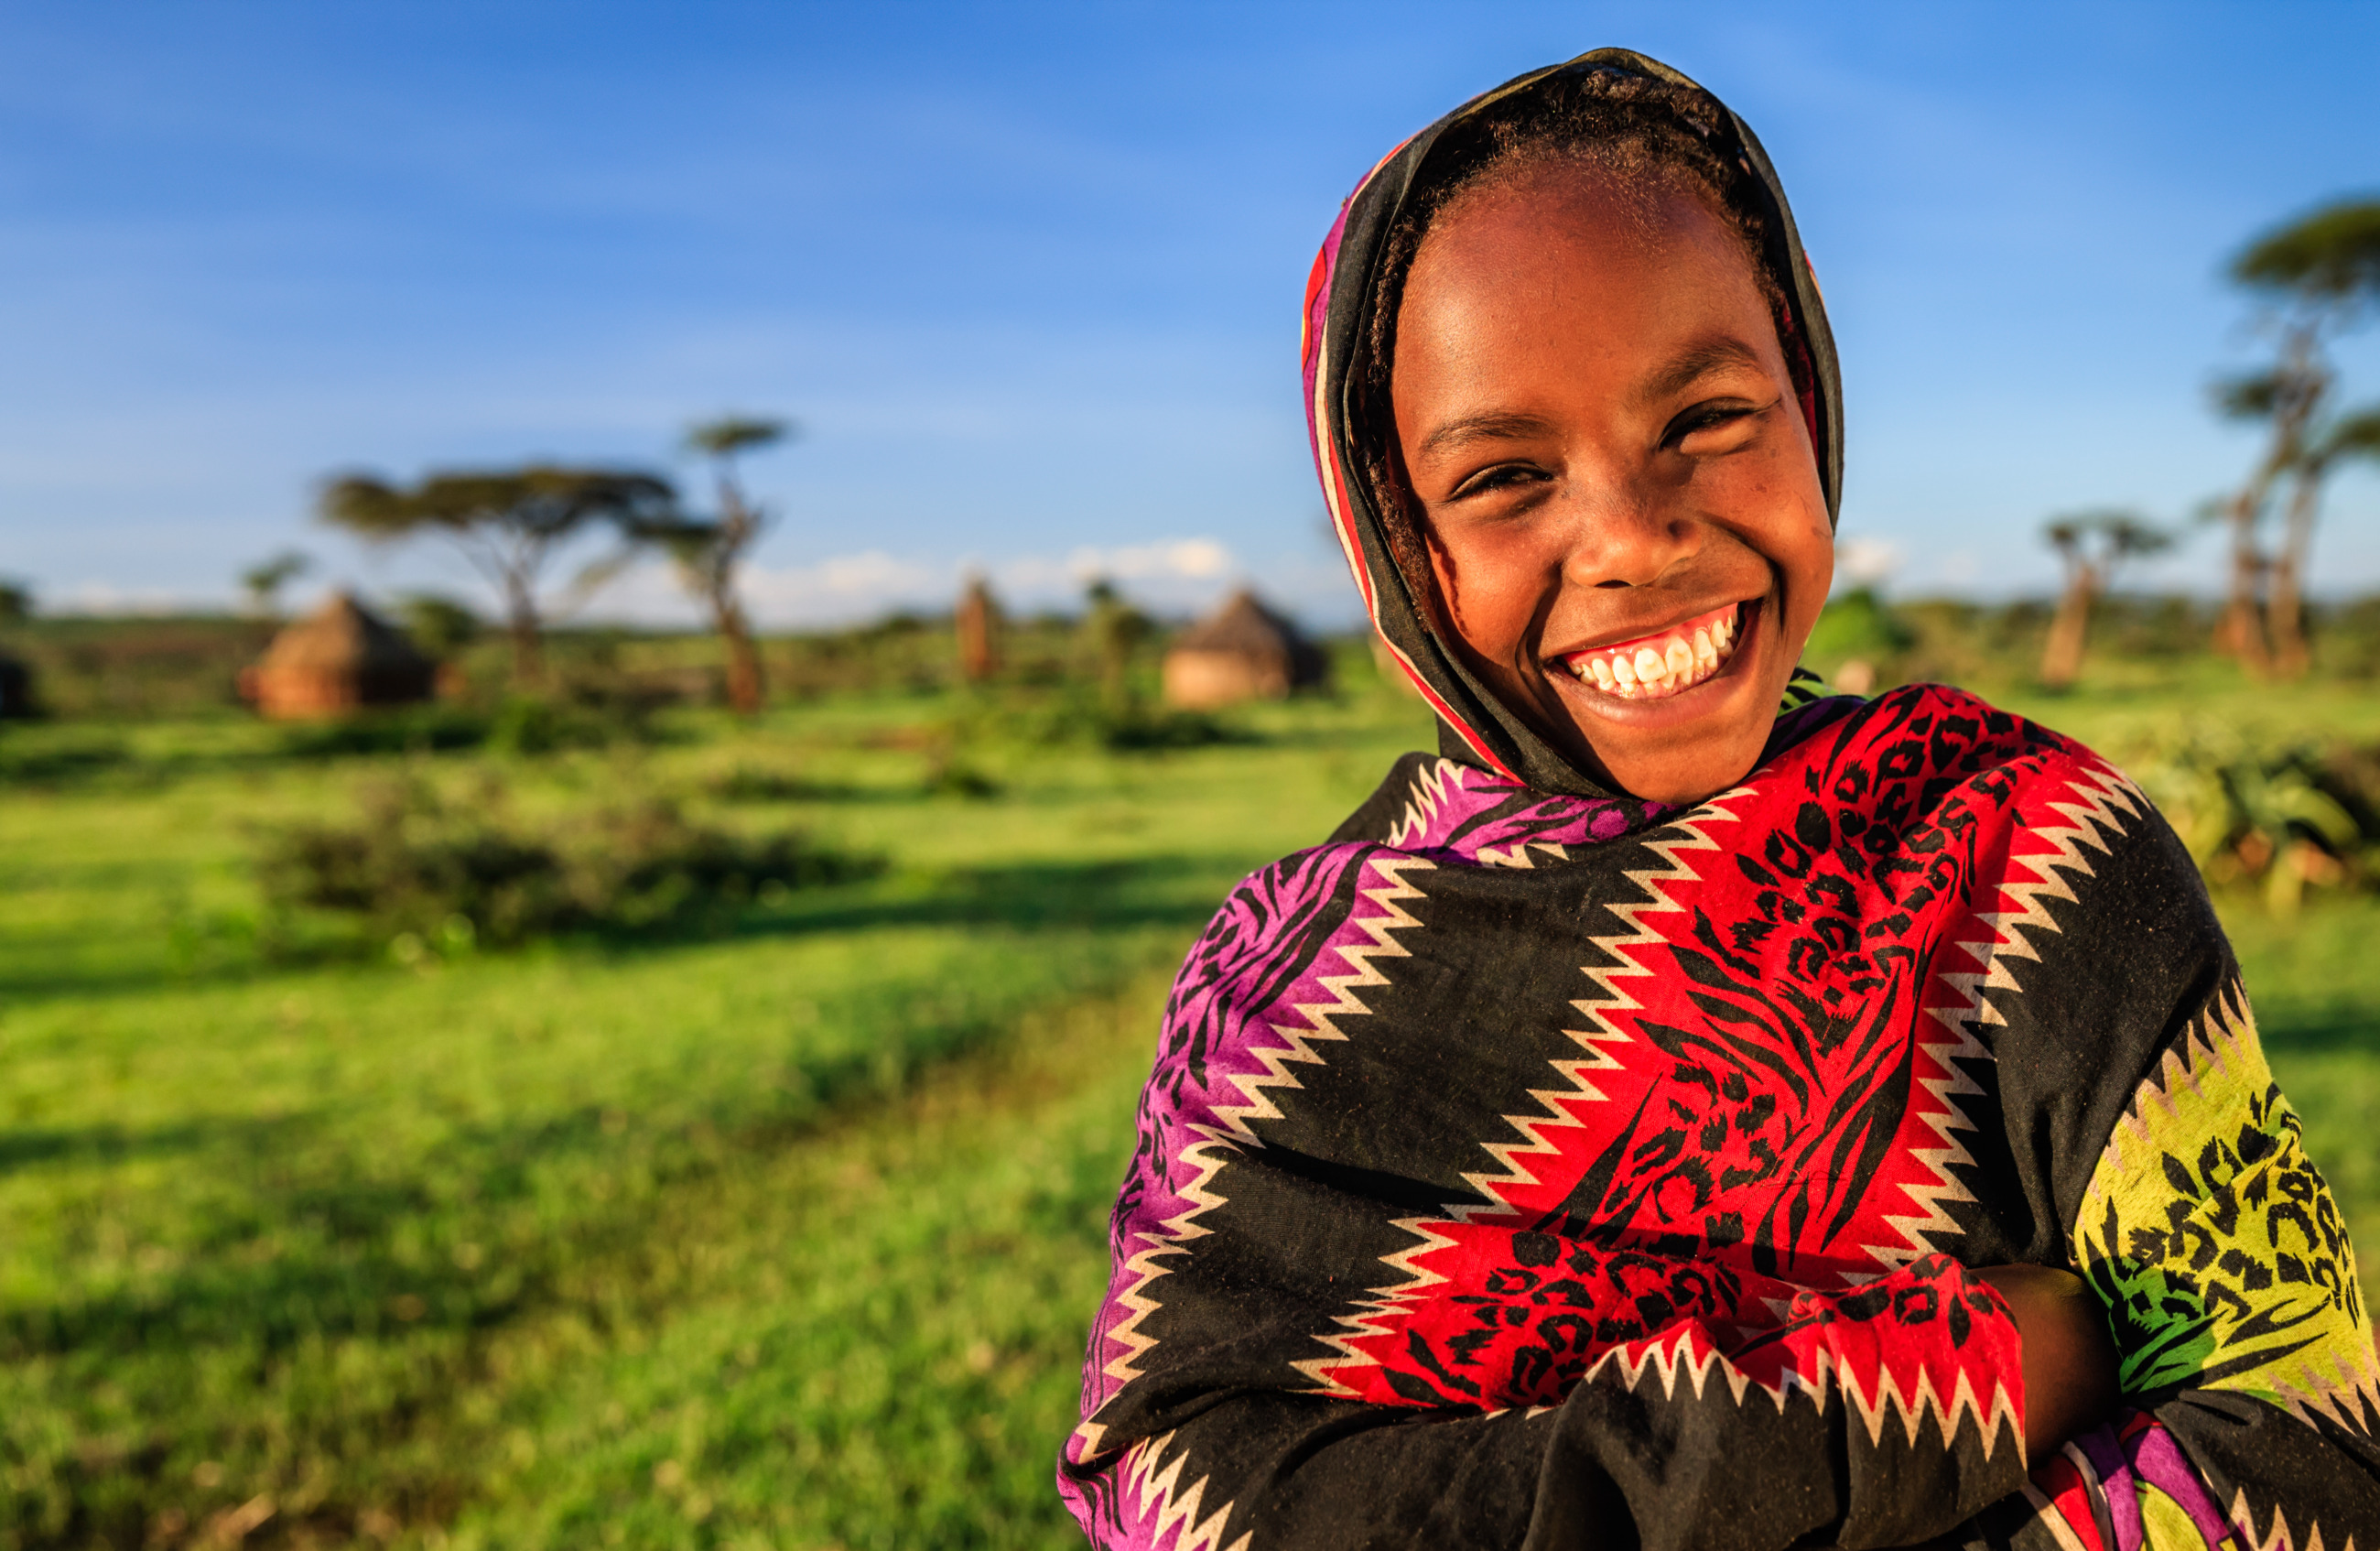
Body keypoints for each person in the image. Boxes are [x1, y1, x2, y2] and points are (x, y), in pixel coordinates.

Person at [1058, 49, 2380, 1551]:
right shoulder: (1282, 991)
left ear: (1810, 403)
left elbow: (2304, 1432)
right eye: (1502, 478)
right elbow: (1178, 1501)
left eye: (1708, 418)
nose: (1633, 538)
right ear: (1394, 540)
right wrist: (1987, 1373)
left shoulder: (2033, 855)